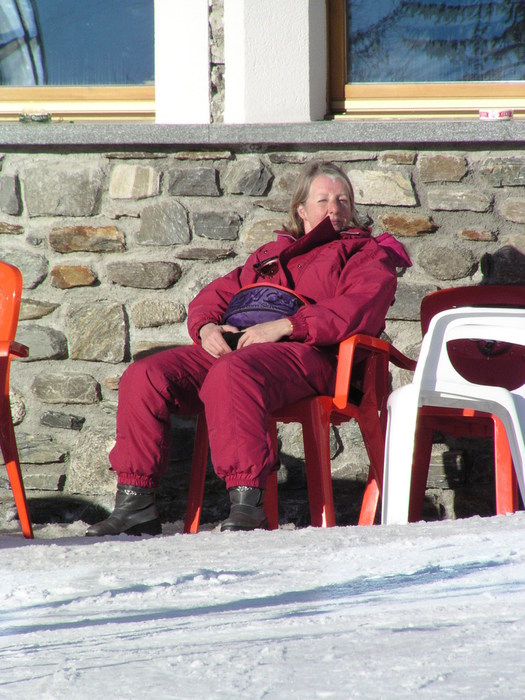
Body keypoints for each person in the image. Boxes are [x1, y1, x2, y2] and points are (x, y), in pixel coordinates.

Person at [86, 159, 411, 537]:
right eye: (323, 200)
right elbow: (217, 293)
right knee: (145, 375)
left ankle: (247, 504)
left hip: (315, 356)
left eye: (342, 200)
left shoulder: (366, 253)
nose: (334, 208)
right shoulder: (271, 254)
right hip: (245, 348)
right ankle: (135, 504)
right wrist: (206, 326)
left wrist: (287, 325)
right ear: (301, 210)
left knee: (234, 371)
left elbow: (357, 308)